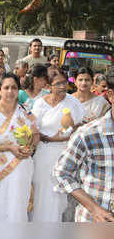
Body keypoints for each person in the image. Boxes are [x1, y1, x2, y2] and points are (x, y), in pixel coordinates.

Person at [54, 67, 114, 222]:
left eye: (87, 79)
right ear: (111, 96)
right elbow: (62, 173)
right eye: (81, 79)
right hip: (93, 222)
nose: (84, 82)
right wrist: (94, 208)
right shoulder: (88, 134)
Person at [0, 73, 37, 222]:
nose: (10, 91)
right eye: (6, 87)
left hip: (19, 170)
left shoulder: (25, 111)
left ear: (19, 90)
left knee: (15, 207)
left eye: (14, 88)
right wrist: (8, 148)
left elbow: (36, 134)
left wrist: (31, 147)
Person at [32, 69, 85, 222]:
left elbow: (80, 125)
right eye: (58, 84)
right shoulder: (40, 103)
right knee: (42, 192)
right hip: (45, 151)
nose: (63, 87)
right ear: (49, 86)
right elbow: (33, 129)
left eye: (65, 83)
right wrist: (50, 138)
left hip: (65, 153)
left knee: (60, 194)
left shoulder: (73, 102)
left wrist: (70, 132)